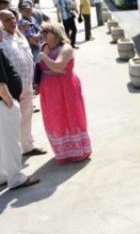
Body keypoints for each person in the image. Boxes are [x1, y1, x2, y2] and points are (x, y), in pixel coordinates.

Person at [36, 22, 91, 163]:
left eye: (46, 32)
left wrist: (44, 57)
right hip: (49, 90)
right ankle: (63, 153)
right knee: (55, 118)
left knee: (71, 115)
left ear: (55, 33)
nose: (43, 35)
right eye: (42, 32)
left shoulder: (66, 48)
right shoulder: (45, 47)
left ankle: (79, 151)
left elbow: (58, 65)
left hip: (66, 87)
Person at [0, 10, 46, 157]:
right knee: (11, 122)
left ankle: (27, 147)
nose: (12, 22)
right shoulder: (1, 39)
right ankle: (11, 156)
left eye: (13, 18)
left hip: (27, 85)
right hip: (11, 89)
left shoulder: (20, 34)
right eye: (7, 20)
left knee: (27, 116)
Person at [0, 48, 40, 190]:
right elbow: (1, 81)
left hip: (3, 103)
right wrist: (8, 100)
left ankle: (3, 175)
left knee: (3, 143)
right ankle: (15, 178)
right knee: (11, 143)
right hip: (4, 104)